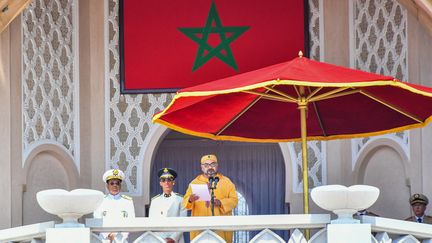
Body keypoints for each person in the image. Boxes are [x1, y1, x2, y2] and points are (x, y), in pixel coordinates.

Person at [182, 154, 238, 243]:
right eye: (206, 165)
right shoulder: (194, 182)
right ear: (201, 167)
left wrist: (221, 203)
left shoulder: (226, 182)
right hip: (200, 227)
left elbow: (234, 200)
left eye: (213, 164)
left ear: (217, 166)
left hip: (220, 227)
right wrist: (190, 200)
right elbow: (185, 203)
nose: (210, 167)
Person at [94, 169, 135, 243]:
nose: (115, 185)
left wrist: (120, 236)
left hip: (122, 240)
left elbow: (131, 221)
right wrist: (109, 235)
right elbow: (97, 221)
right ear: (107, 186)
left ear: (120, 185)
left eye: (117, 183)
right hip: (104, 240)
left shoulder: (128, 201)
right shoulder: (100, 201)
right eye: (112, 183)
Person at [148, 168, 186, 243]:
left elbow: (183, 221)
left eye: (169, 180)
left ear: (173, 182)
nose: (166, 183)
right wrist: (160, 239)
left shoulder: (181, 199)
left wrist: (173, 238)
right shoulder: (155, 201)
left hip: (176, 240)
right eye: (163, 180)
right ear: (160, 183)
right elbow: (152, 222)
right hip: (159, 239)